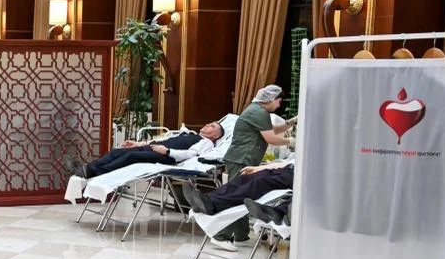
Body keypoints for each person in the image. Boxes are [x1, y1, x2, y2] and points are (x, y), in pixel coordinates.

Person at [219, 85, 295, 242]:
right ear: (271, 99)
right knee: (235, 197)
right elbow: (271, 138)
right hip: (241, 159)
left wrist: (291, 122)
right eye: (279, 101)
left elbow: (272, 129)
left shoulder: (257, 110)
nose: (279, 105)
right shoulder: (259, 112)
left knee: (241, 195)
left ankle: (241, 235)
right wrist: (290, 141)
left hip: (242, 159)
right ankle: (221, 235)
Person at [65, 121, 225, 178]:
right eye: (209, 123)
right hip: (155, 148)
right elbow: (162, 139)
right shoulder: (189, 134)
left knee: (131, 157)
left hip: (167, 157)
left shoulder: (206, 143)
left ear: (215, 136)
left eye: (212, 126)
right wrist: (138, 143)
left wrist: (167, 152)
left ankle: (92, 172)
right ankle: (87, 169)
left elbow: (190, 154)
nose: (208, 125)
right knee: (116, 152)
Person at [180, 163, 294, 215]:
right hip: (286, 169)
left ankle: (214, 205)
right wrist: (258, 168)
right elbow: (288, 163)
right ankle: (205, 200)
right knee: (243, 178)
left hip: (295, 176)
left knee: (259, 183)